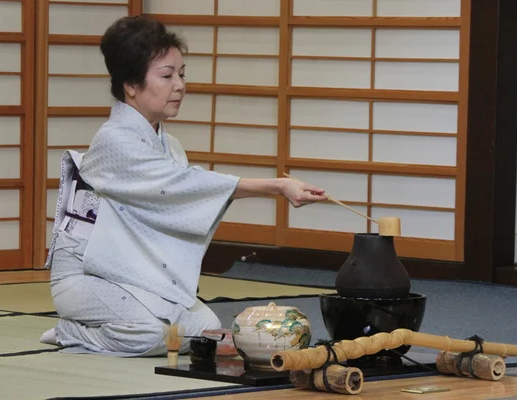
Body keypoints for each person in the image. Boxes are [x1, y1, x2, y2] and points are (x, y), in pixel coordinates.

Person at [39, 15, 327, 357]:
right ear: (131, 85)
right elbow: (182, 186)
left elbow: (181, 201)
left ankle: (130, 323)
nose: (179, 85)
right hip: (87, 275)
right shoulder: (113, 142)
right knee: (150, 335)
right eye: (166, 75)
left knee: (206, 330)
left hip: (134, 273)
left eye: (181, 73)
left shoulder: (169, 145)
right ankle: (71, 332)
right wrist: (275, 186)